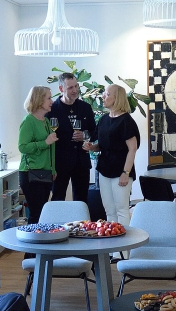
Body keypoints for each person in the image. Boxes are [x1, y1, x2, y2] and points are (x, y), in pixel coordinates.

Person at [84, 83, 140, 226]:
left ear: (117, 98)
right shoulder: (104, 119)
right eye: (104, 93)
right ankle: (113, 239)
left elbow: (132, 149)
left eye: (107, 94)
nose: (103, 96)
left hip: (121, 170)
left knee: (122, 210)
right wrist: (91, 147)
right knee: (109, 211)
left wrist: (125, 173)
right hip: (104, 169)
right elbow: (102, 145)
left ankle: (125, 241)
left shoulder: (126, 121)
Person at [50, 72, 97, 204]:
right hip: (60, 163)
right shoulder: (52, 109)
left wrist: (84, 136)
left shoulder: (85, 107)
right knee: (57, 199)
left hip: (81, 162)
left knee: (81, 201)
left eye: (76, 86)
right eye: (70, 87)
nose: (75, 90)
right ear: (61, 89)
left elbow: (94, 132)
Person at [18, 85, 57, 224]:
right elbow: (22, 147)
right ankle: (33, 237)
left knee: (42, 214)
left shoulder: (46, 121)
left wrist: (53, 169)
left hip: (45, 173)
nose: (52, 101)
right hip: (31, 174)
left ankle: (40, 237)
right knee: (36, 214)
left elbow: (51, 148)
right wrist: (44, 142)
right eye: (49, 98)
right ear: (39, 100)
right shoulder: (28, 121)